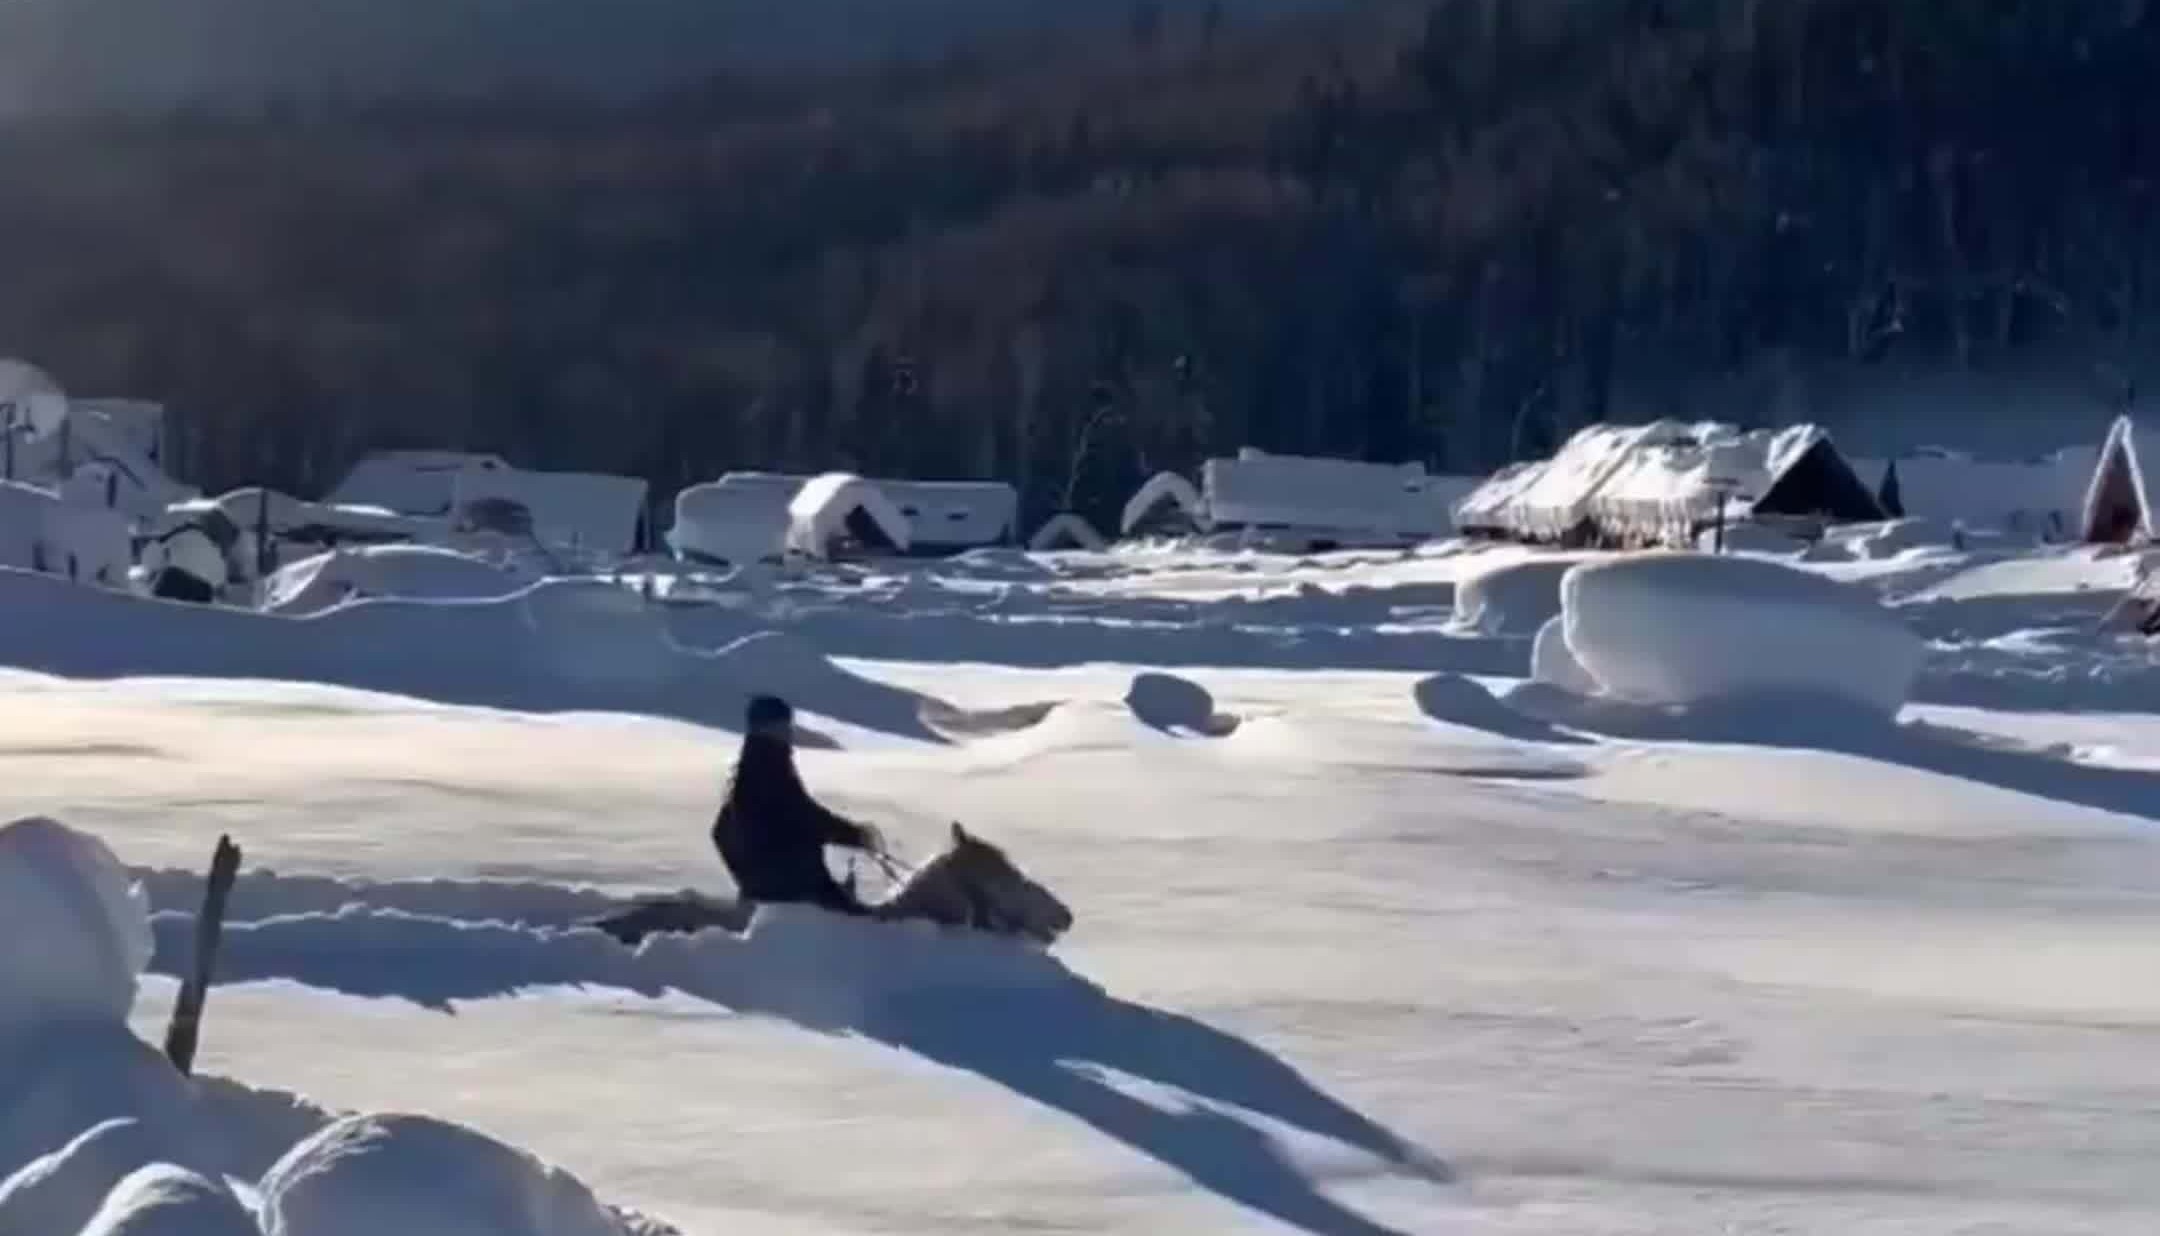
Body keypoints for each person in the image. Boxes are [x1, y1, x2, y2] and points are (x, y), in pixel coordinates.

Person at [710, 694, 885, 914]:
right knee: (866, 929)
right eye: (784, 726)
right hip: (801, 891)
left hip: (777, 890)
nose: (789, 733)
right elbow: (805, 817)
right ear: (771, 728)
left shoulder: (748, 771)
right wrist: (856, 836)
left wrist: (749, 881)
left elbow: (719, 832)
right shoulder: (770, 768)